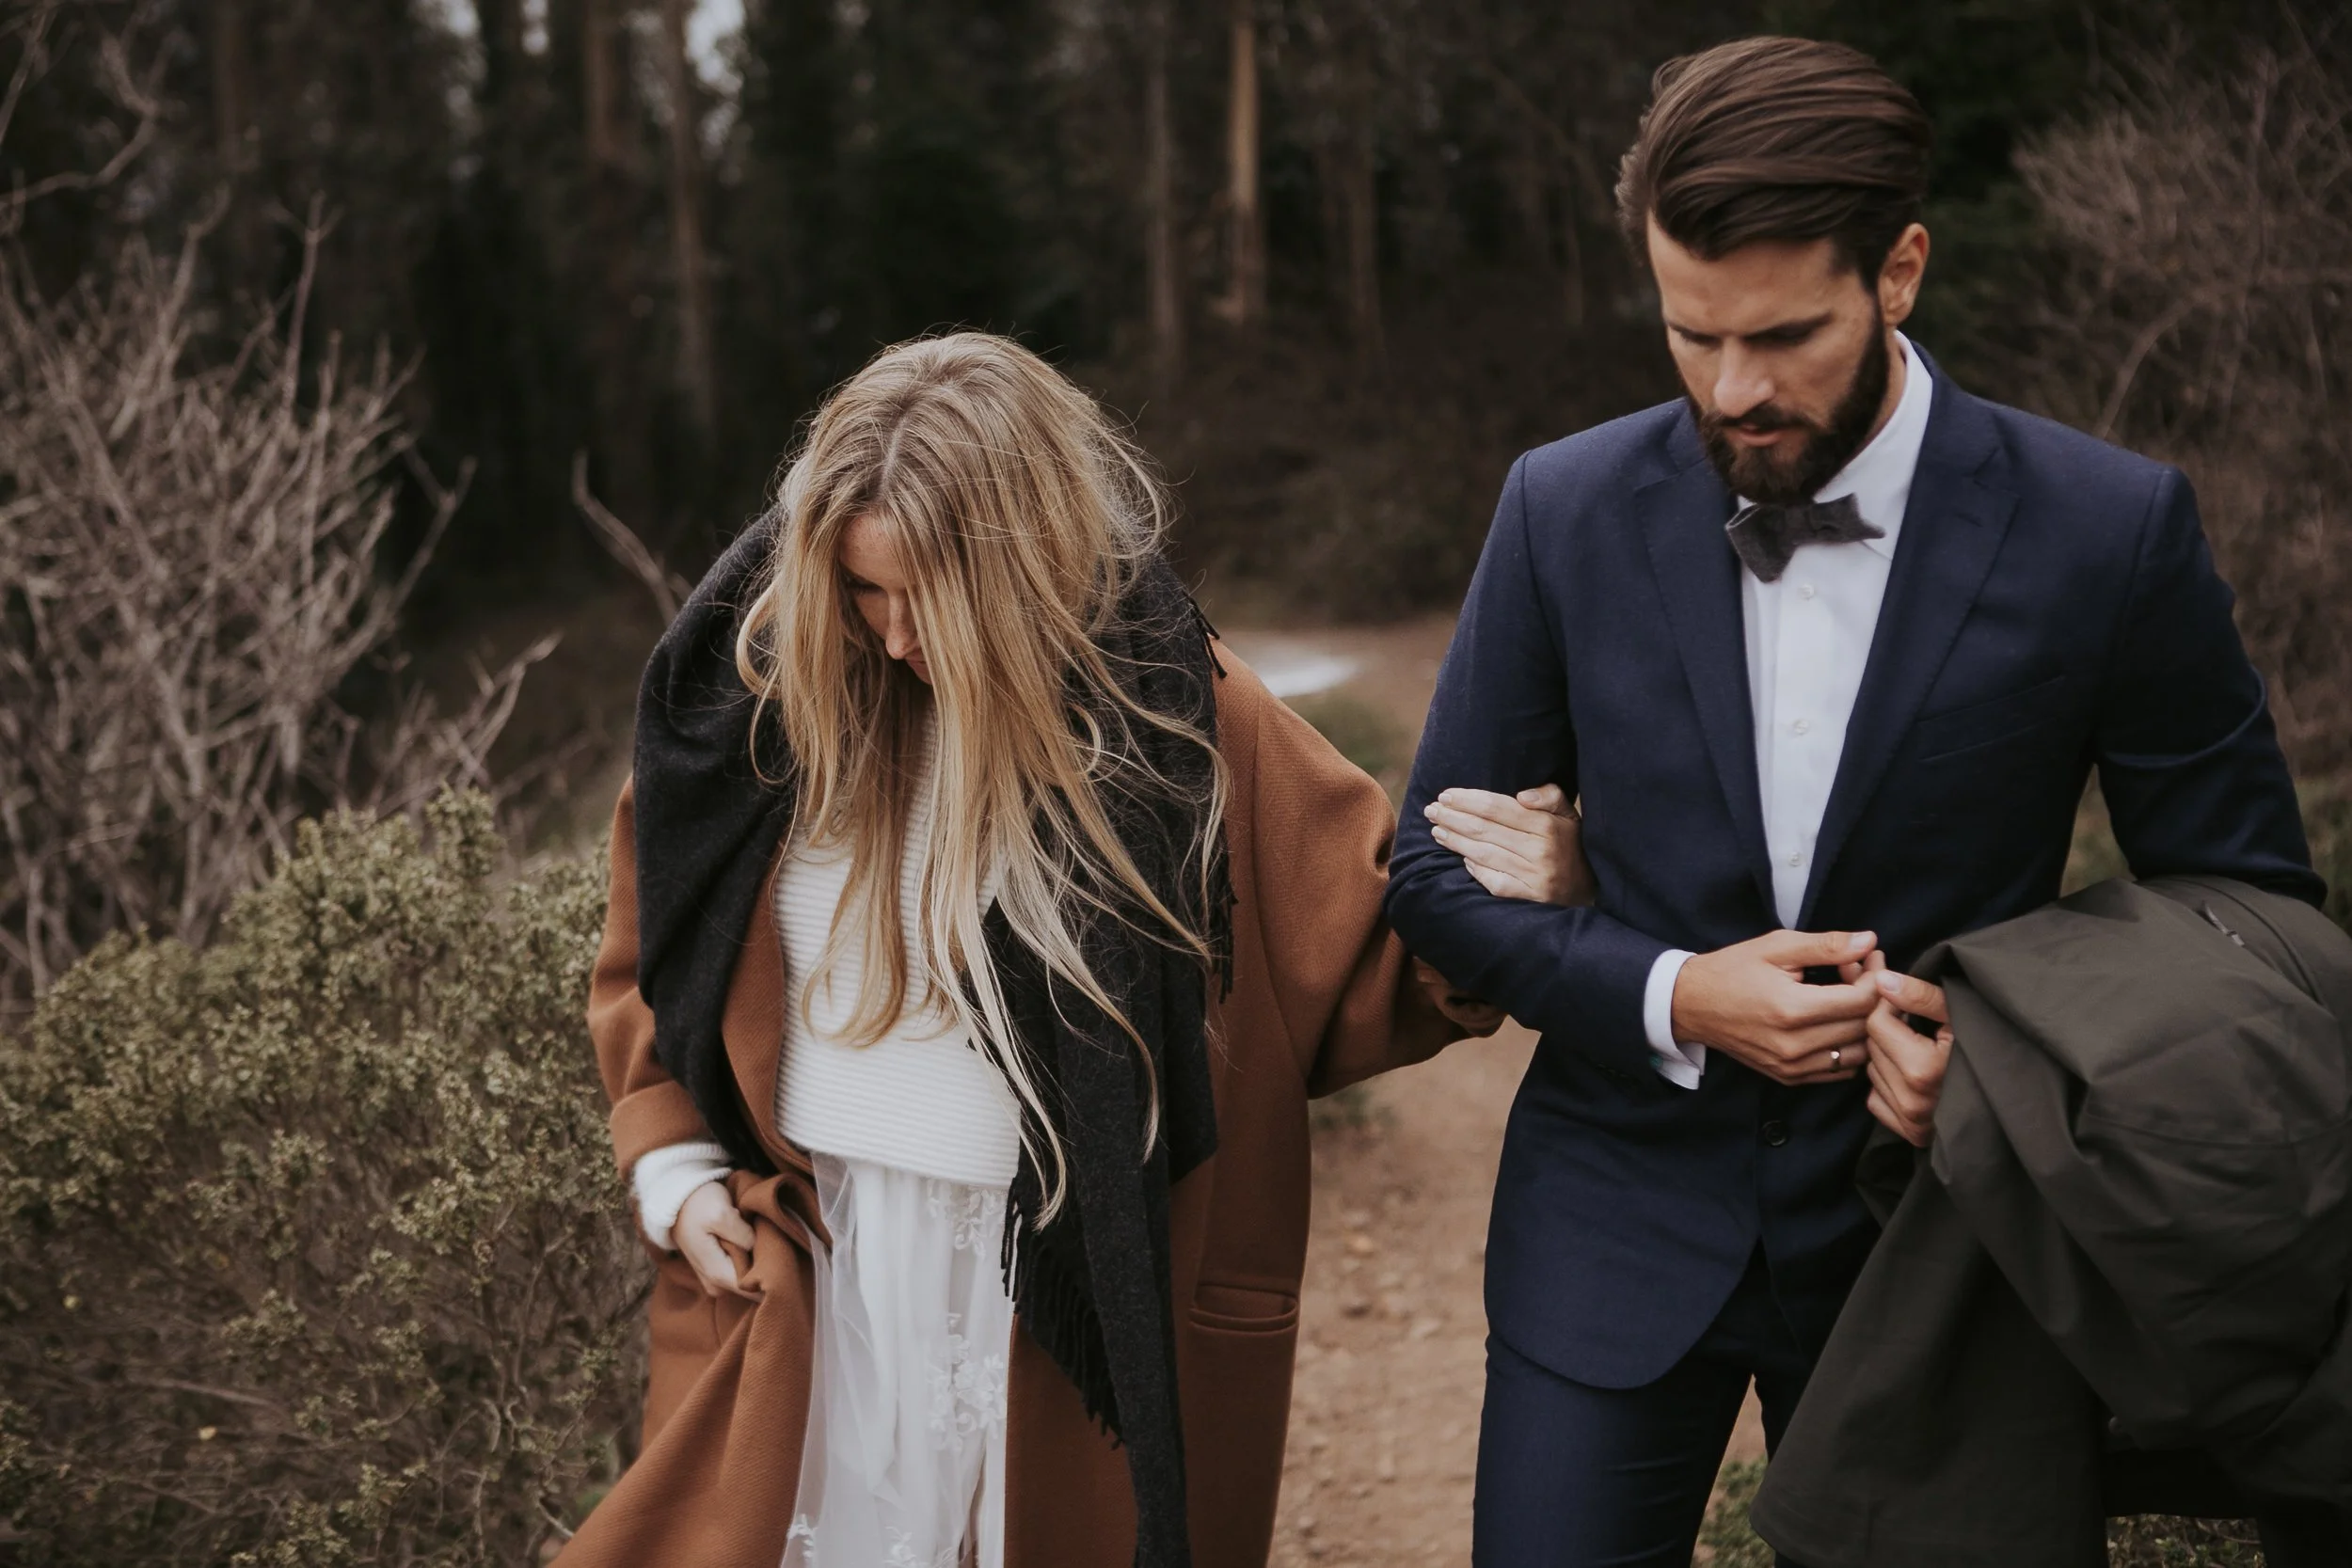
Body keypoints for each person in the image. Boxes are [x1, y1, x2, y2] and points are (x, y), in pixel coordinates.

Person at [1386, 35, 2324, 1567]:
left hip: (1947, 1239)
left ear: (1899, 271)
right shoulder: (1562, 506)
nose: (1732, 389)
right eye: (1690, 333)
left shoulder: (2109, 528)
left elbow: (2249, 913)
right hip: (1614, 1215)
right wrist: (1676, 990)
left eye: (1783, 335)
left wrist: (2014, 1070)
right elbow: (1429, 877)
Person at [555, 331, 1585, 1568]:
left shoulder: (1179, 716)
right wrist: (670, 1158)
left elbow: (1376, 949)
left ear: (1025, 570)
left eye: (930, 598)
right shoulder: (757, 697)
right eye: (864, 591)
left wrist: (1522, 890)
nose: (894, 636)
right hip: (813, 1272)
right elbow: (652, 943)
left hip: (1066, 1297)